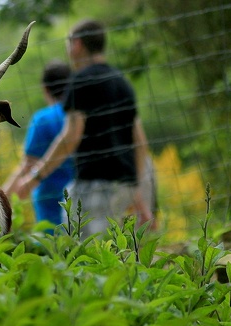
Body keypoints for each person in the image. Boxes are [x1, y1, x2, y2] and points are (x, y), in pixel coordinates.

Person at [13, 19, 155, 236]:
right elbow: (139, 141)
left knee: (83, 254)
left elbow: (70, 137)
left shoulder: (80, 81)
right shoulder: (122, 82)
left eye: (68, 43)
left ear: (77, 44)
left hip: (94, 185)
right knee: (116, 250)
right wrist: (140, 198)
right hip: (123, 187)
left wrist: (35, 177)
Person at [4, 60, 75, 226]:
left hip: (51, 203)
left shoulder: (43, 119)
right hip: (83, 198)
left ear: (45, 89)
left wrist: (0, 199)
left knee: (54, 248)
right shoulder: (81, 116)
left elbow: (27, 164)